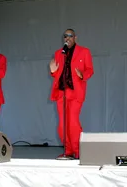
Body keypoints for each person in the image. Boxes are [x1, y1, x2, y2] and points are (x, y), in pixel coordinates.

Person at [49, 29, 94, 159]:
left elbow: (90, 70)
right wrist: (53, 72)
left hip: (75, 92)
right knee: (62, 124)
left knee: (73, 122)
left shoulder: (84, 51)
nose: (67, 38)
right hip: (61, 92)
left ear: (75, 38)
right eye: (65, 36)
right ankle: (68, 151)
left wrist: (82, 75)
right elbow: (57, 73)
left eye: (70, 36)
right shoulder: (59, 53)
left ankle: (79, 151)